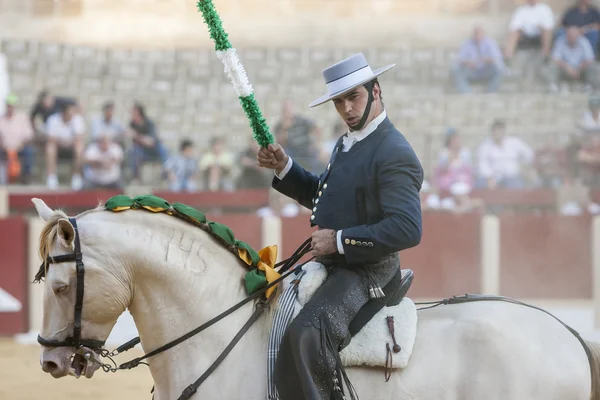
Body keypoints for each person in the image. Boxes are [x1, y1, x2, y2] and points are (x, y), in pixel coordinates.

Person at [257, 53, 423, 400]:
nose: (347, 108)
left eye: (354, 97)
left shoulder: (394, 150)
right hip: (339, 264)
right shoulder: (349, 141)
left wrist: (341, 240)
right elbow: (327, 197)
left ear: (376, 91)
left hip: (369, 270)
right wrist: (285, 166)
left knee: (307, 333)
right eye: (339, 101)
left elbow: (408, 228)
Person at [451, 25, 504, 93]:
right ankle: (466, 93)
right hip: (471, 70)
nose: (477, 36)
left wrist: (483, 60)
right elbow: (459, 59)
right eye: (475, 34)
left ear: (483, 34)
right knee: (455, 69)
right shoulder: (466, 43)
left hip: (486, 70)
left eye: (479, 34)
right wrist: (468, 62)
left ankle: (491, 92)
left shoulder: (490, 42)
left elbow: (497, 58)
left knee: (500, 69)